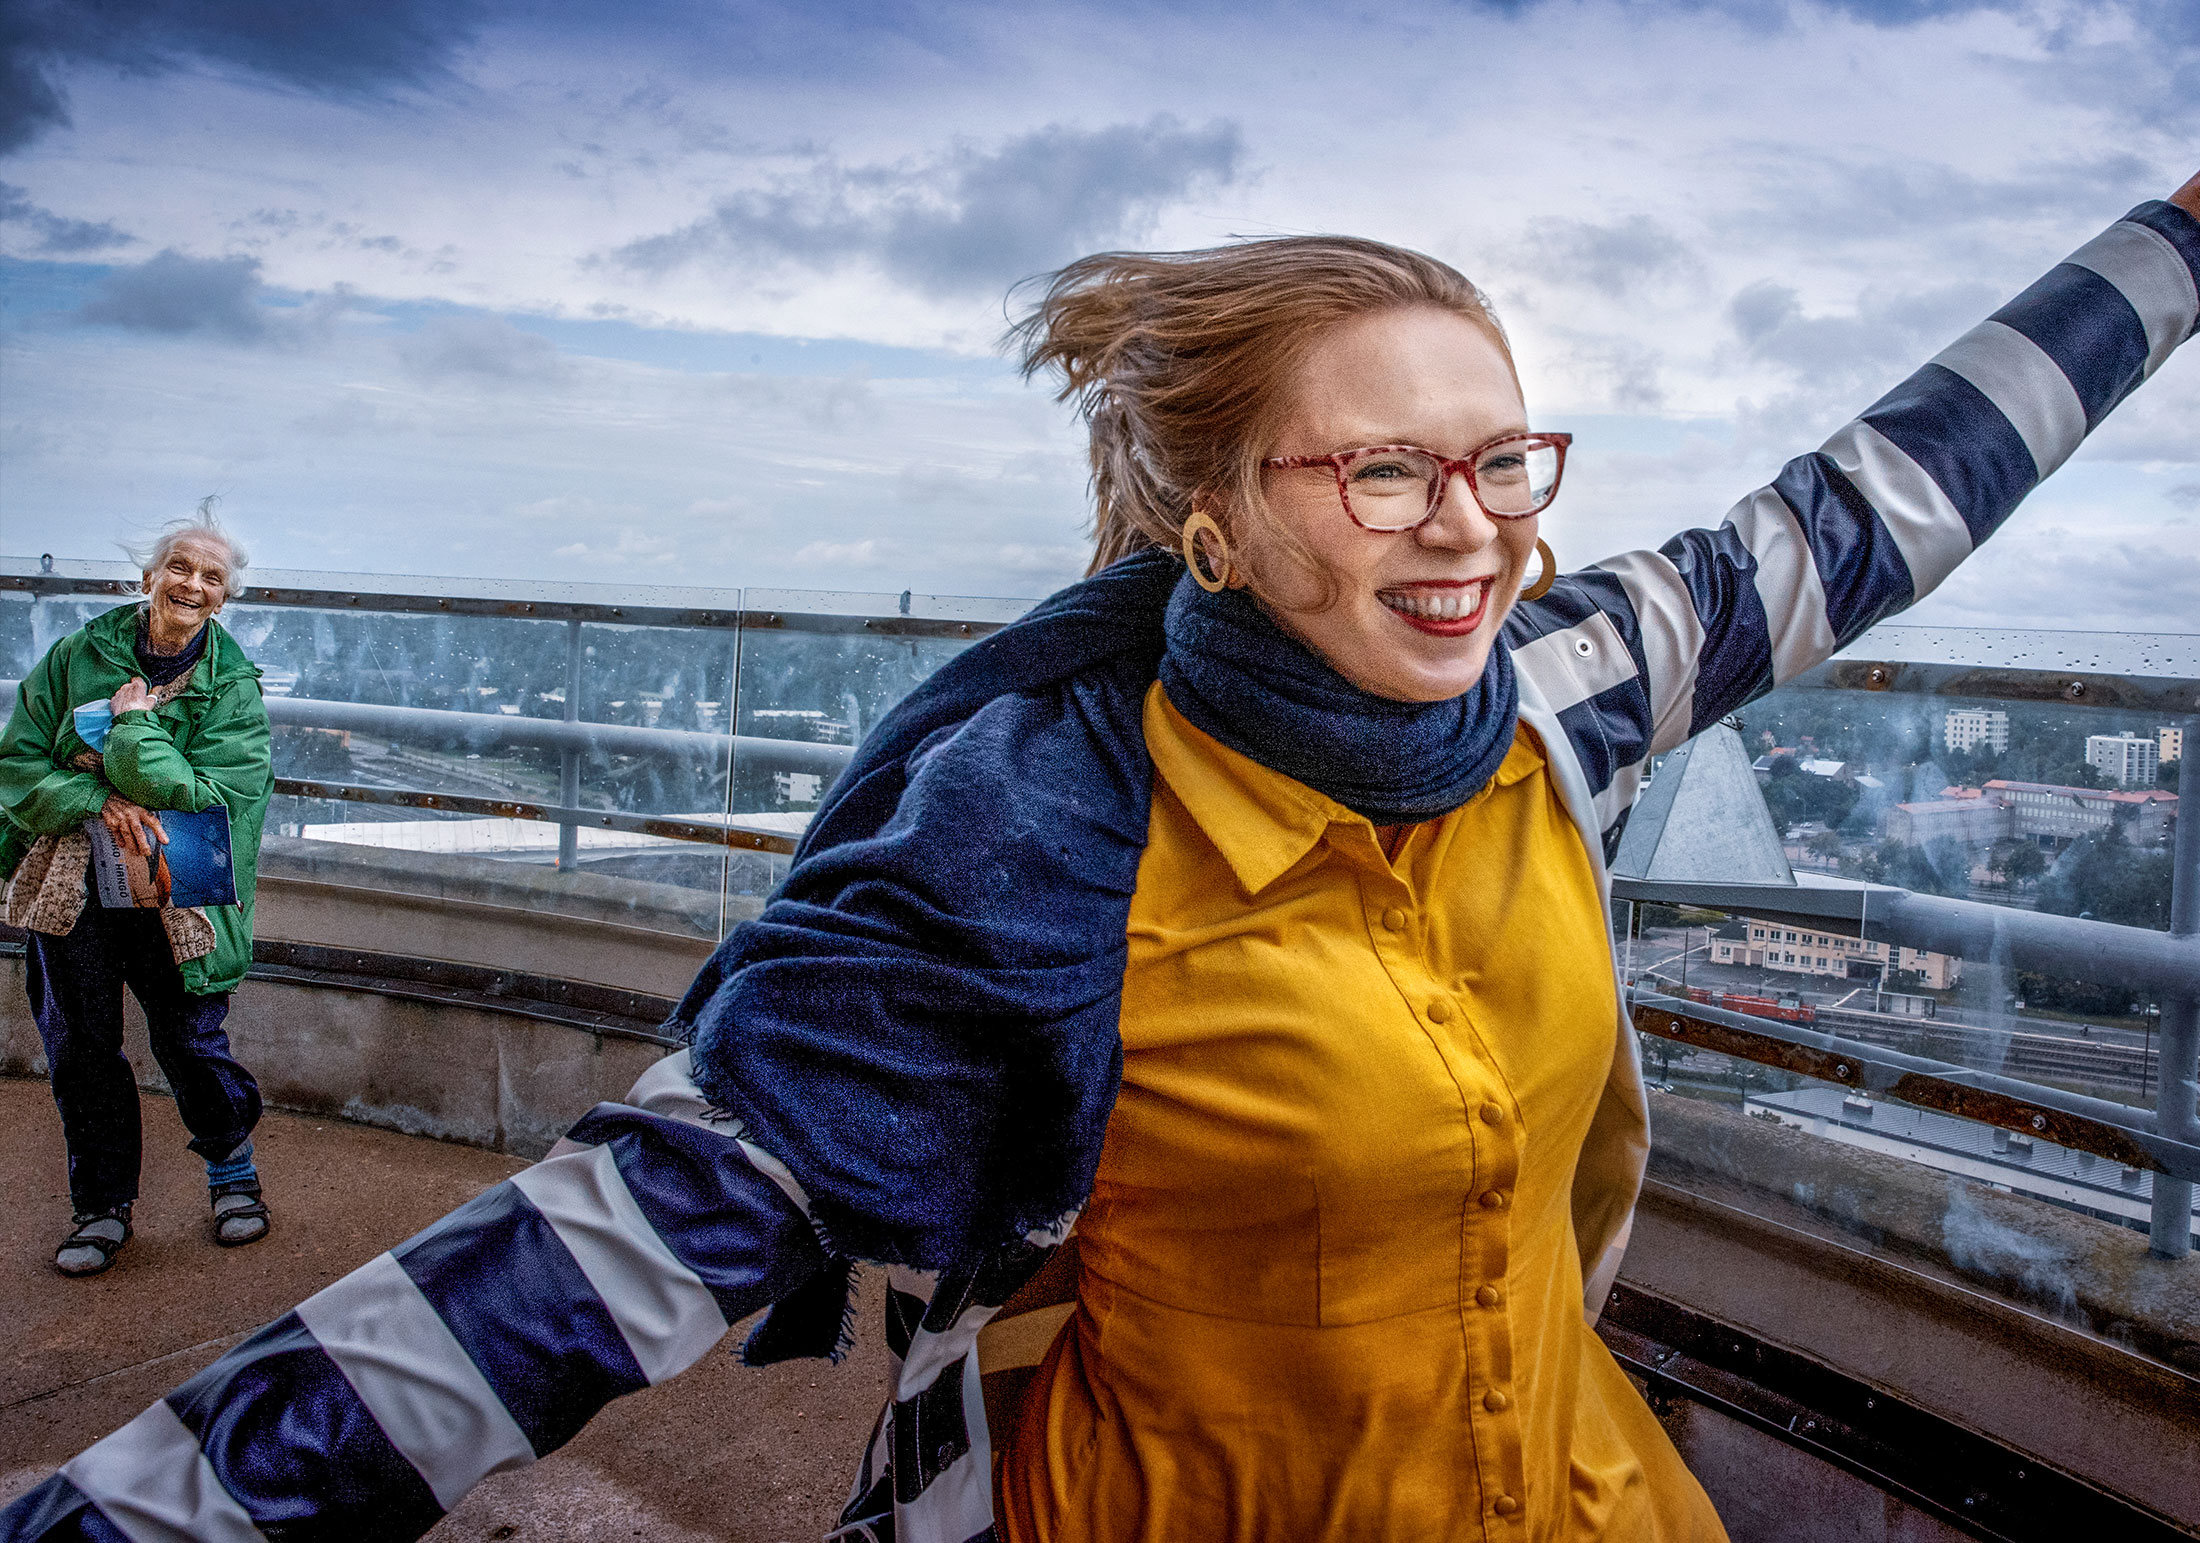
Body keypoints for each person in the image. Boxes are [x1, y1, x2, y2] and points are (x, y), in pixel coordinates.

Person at [5, 180, 2197, 1543]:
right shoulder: (1030, 855)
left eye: (1499, 457)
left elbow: (1873, 500)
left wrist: (2169, 242)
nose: (1470, 530)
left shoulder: (1546, 692)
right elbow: (579, 1268)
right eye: (1377, 471)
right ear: (1205, 527)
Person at [0, 509, 274, 1277]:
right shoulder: (75, 656)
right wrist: (96, 802)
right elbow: (17, 765)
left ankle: (232, 1170)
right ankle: (101, 1206)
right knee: (81, 1047)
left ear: (225, 599)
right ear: (148, 575)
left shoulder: (234, 690)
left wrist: (128, 728)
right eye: (180, 567)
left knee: (190, 1039)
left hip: (178, 885)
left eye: (211, 576)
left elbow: (200, 797)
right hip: (73, 880)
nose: (192, 583)